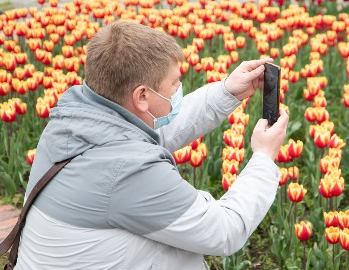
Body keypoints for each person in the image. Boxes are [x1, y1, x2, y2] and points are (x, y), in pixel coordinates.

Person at [15, 20, 289, 269]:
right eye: (175, 83)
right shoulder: (128, 170)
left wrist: (227, 91)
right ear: (142, 96)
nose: (178, 89)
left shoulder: (72, 124)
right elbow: (225, 232)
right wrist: (264, 157)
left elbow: (156, 130)